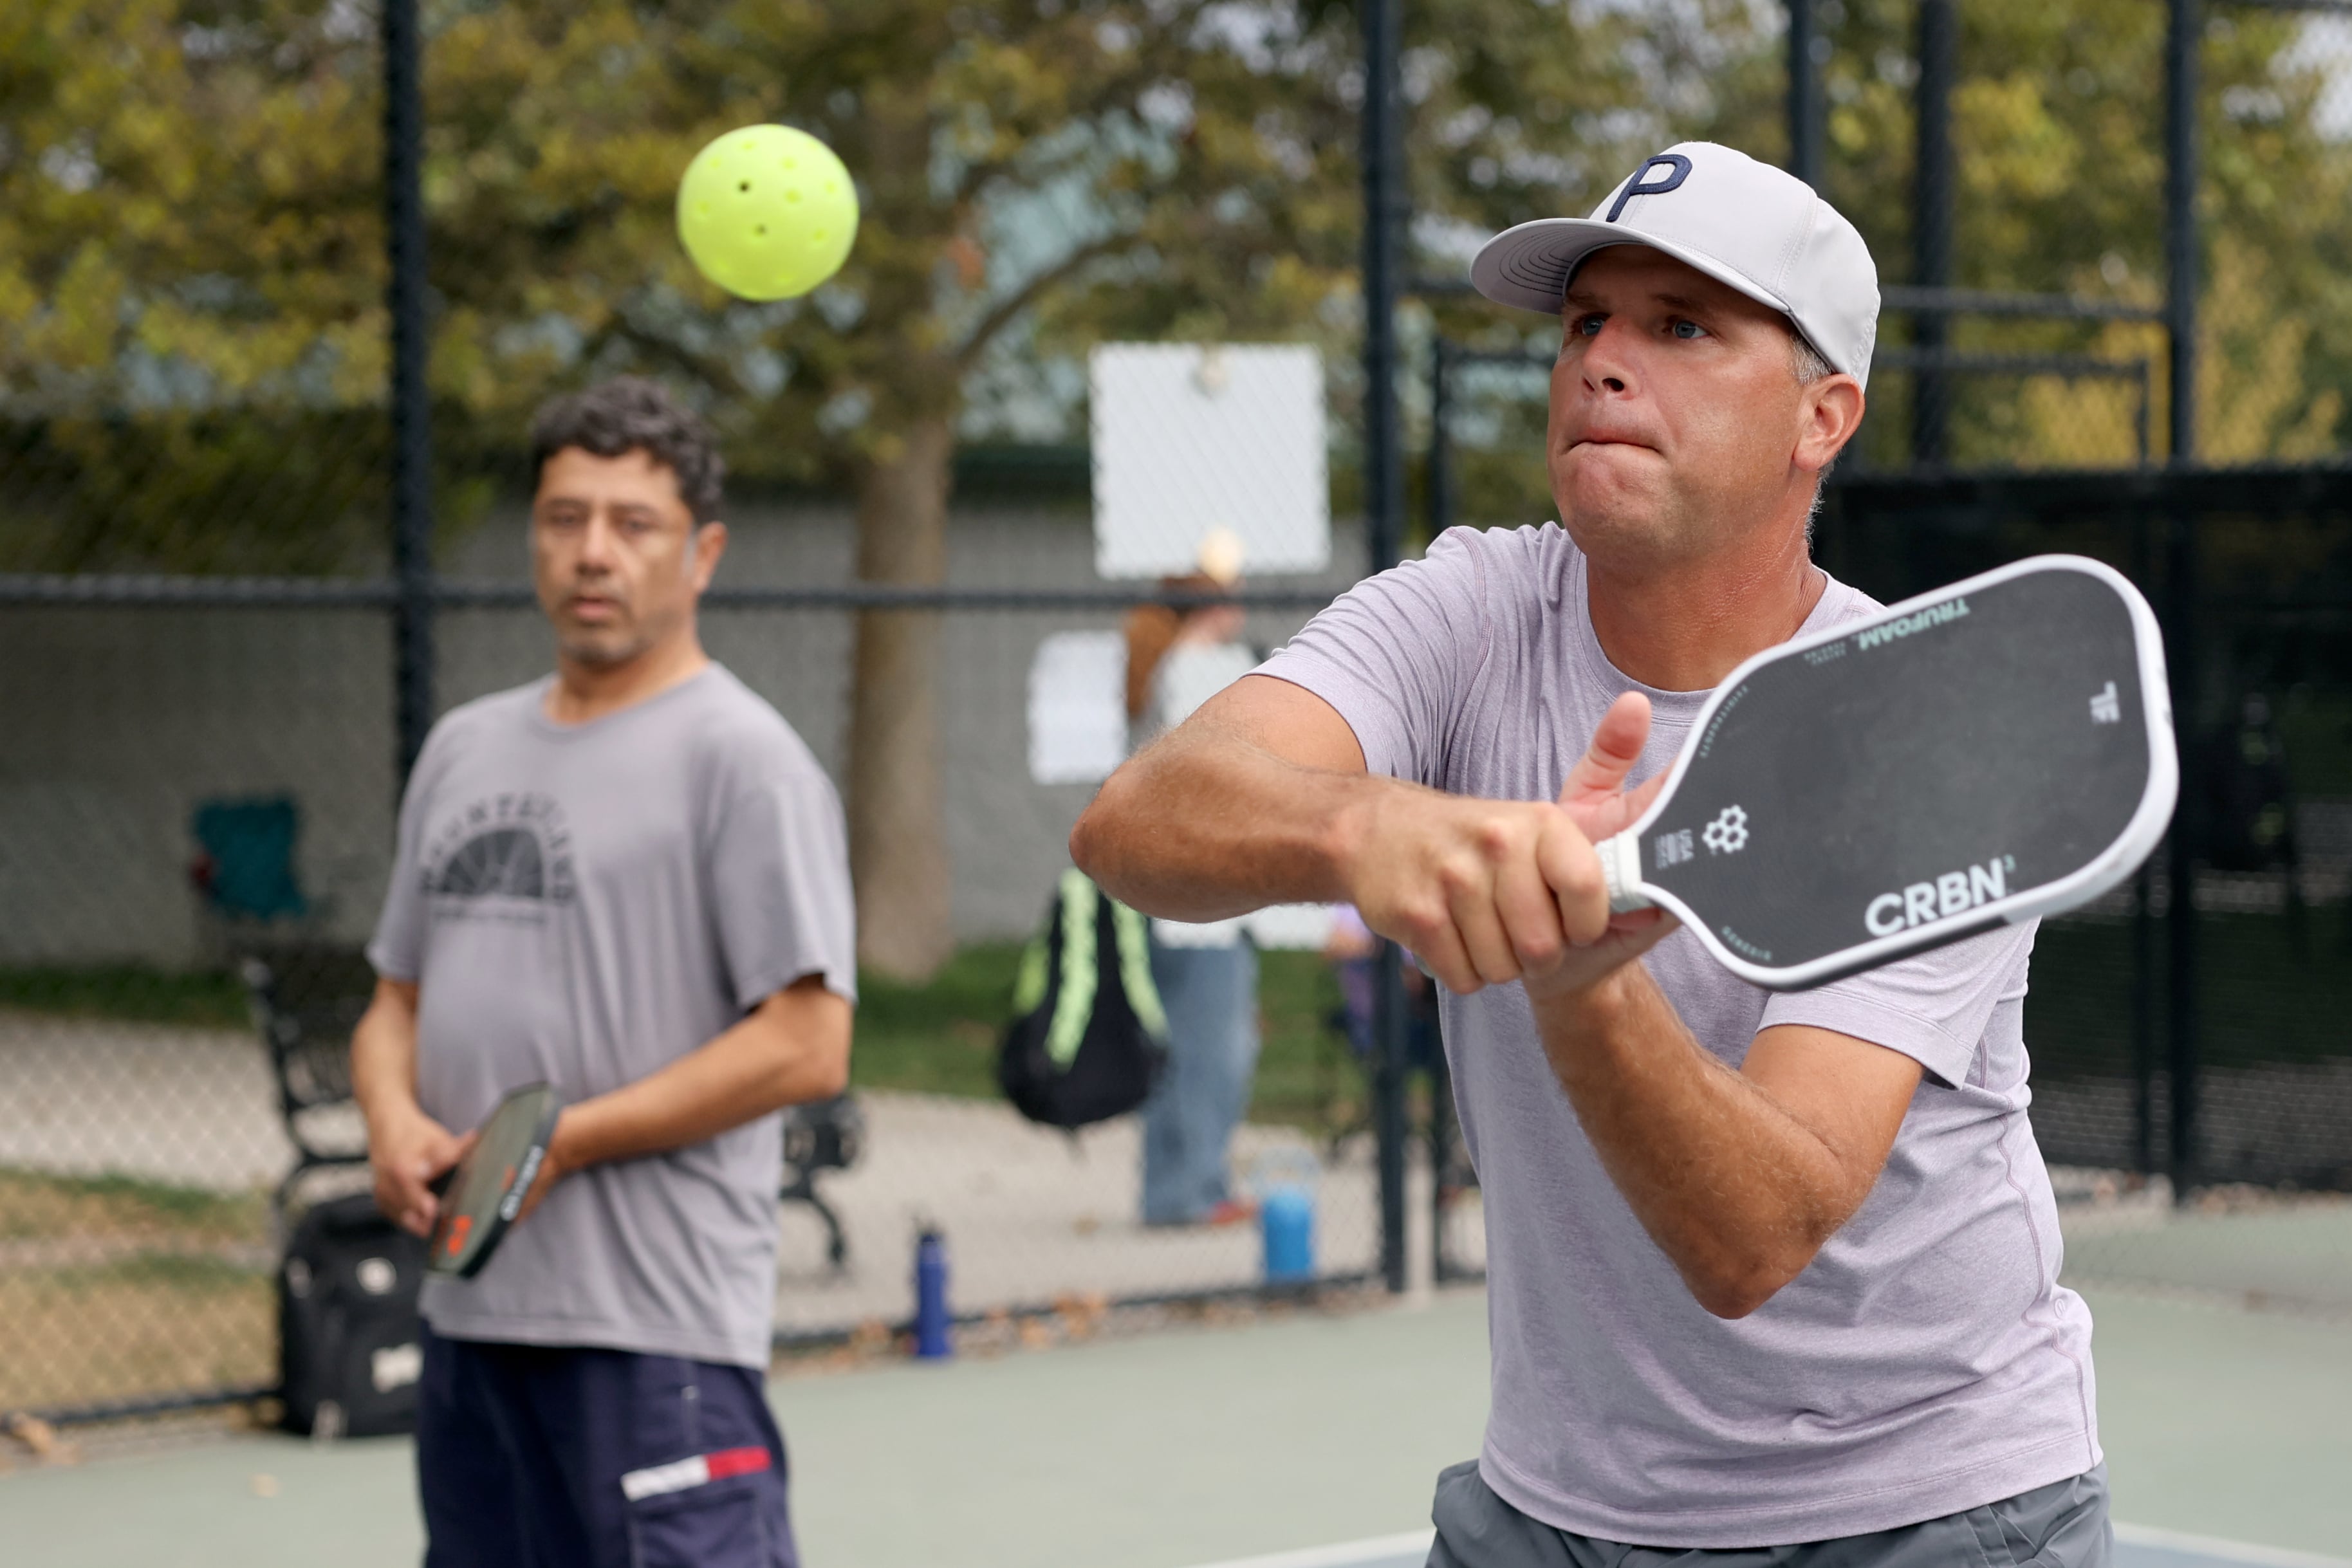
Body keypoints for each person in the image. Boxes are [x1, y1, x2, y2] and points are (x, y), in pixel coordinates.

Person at [1073, 143, 2111, 1565]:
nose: (1603, 362)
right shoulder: (1472, 603)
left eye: (1681, 326)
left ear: (1824, 415)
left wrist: (1584, 982)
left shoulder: (1911, 727)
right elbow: (1139, 817)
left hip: (1919, 1513)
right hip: (1556, 1507)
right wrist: (1363, 819)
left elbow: (1754, 1236)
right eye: (1585, 324)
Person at [351, 376, 856, 1568]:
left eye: (633, 525)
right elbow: (395, 998)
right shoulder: (464, 747)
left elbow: (807, 1041)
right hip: (471, 1321)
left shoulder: (745, 760)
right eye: (565, 517)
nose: (594, 553)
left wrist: (558, 1139)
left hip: (656, 1337)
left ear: (703, 553)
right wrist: (389, 1118)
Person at [1122, 529, 1263, 1226]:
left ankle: (1184, 1184)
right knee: (1209, 1046)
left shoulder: (1181, 663)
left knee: (1198, 1041)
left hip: (1192, 893)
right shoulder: (1197, 668)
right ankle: (1187, 1190)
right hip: (1198, 897)